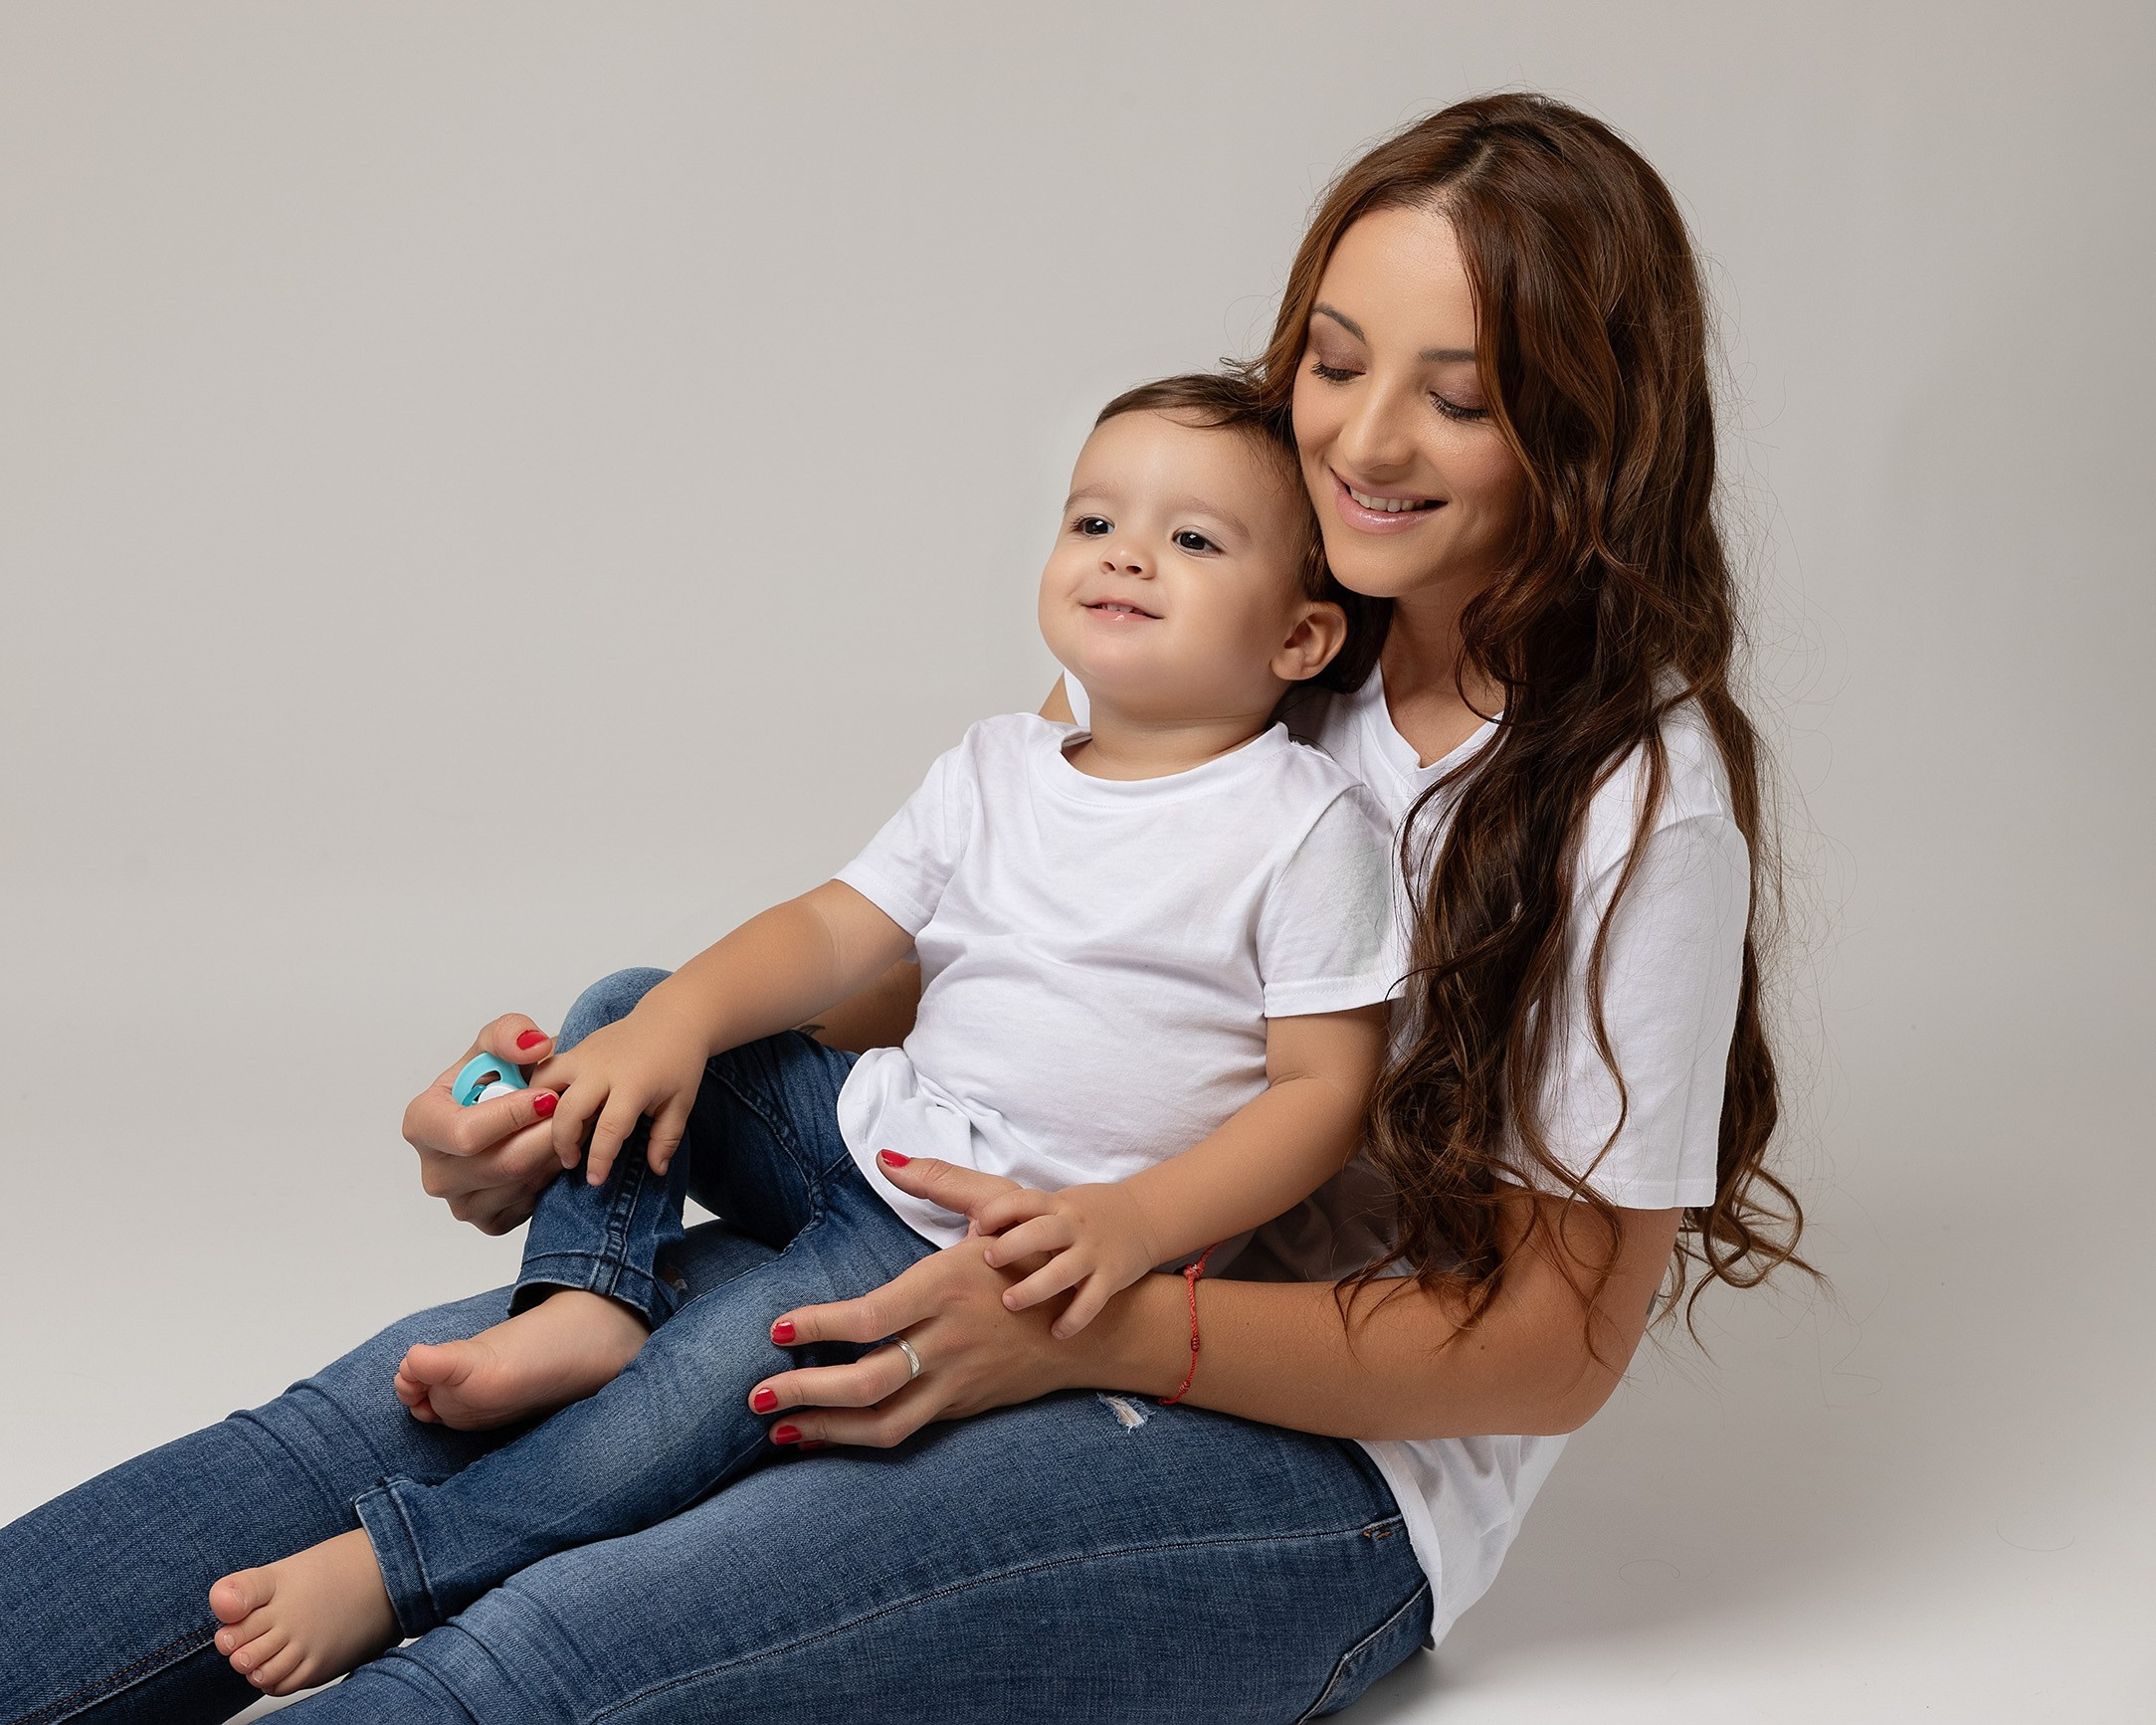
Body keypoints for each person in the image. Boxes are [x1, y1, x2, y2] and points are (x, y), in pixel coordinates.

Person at [0, 93, 1806, 1724]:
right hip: (979, 1226)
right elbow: (955, 978)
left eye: (1461, 395)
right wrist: (580, 1099)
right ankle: (586, 1280)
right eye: (1333, 361)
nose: (1361, 437)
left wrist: (1095, 1324)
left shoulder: (1631, 803)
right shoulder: (1250, 612)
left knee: (565, 1640)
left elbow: (1549, 1349)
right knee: (375, 1423)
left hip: (1295, 1448)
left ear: (1588, 433)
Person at [201, 373, 1405, 1695]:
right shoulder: (999, 764)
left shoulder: (1302, 822)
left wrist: (1130, 1228)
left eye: (1192, 539)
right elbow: (836, 933)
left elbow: (1320, 1092)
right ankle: (585, 1296)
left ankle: (398, 1568)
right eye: (1094, 519)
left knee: (676, 1411)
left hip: (971, 1240)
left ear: (1299, 638)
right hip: (869, 1126)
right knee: (629, 1007)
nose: (1125, 552)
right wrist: (678, 1021)